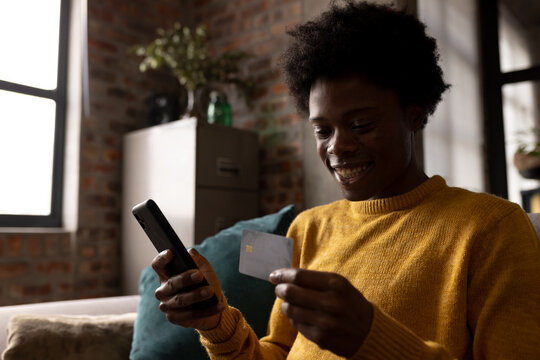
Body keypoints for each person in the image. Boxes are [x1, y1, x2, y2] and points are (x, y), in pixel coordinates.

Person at [151, 1, 540, 359]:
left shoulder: (493, 228)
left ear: (415, 115)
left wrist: (372, 338)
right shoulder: (306, 229)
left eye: (361, 125)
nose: (338, 147)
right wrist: (217, 325)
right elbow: (279, 352)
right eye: (323, 131)